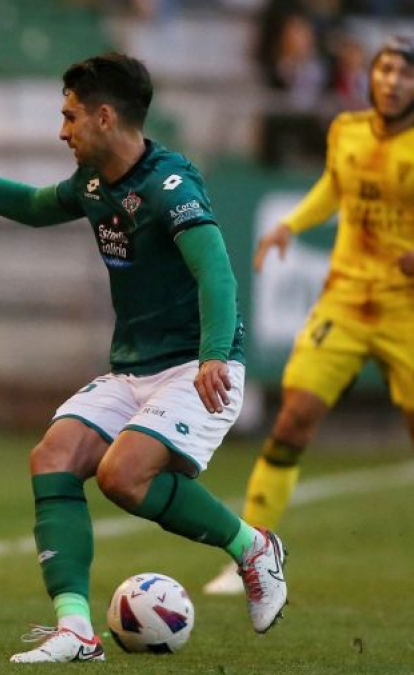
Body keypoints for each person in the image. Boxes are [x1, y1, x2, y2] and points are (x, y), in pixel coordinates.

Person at [0, 52, 288, 664]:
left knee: (121, 476)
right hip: (133, 367)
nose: (62, 131)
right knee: (52, 456)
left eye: (69, 117)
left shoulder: (171, 186)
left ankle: (252, 547)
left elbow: (216, 273)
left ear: (105, 117)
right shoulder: (93, 185)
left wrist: (214, 354)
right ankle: (76, 631)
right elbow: (31, 206)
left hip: (196, 367)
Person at [205, 35, 414, 596]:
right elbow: (333, 188)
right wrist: (290, 225)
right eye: (386, 69)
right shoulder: (346, 130)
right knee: (295, 415)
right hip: (345, 299)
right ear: (373, 76)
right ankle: (249, 554)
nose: (393, 81)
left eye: (405, 73)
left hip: (406, 309)